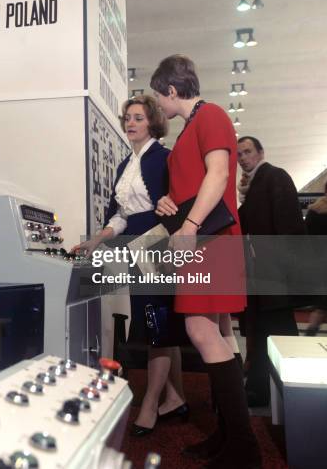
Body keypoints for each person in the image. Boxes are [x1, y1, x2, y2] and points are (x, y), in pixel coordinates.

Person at [151, 55, 260, 468]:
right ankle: (232, 434)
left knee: (199, 329)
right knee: (219, 331)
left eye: (160, 97)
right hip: (204, 237)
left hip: (208, 240)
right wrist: (172, 204)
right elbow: (197, 182)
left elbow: (218, 175)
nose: (160, 105)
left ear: (172, 91)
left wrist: (191, 222)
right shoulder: (191, 128)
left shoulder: (210, 114)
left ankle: (243, 446)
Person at [71, 95, 188, 437]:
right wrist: (97, 239)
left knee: (156, 325)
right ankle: (175, 397)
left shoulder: (163, 158)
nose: (130, 123)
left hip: (157, 246)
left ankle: (150, 404)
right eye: (128, 118)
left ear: (152, 121)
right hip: (135, 246)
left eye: (138, 117)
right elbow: (120, 215)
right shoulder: (125, 166)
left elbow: (175, 205)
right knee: (160, 324)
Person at [237, 136, 305, 406]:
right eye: (239, 154)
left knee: (279, 333)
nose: (243, 158)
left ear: (261, 152)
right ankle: (262, 389)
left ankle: (289, 392)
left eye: (248, 151)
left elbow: (289, 227)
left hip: (274, 274)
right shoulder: (253, 186)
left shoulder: (274, 176)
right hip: (262, 276)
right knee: (265, 332)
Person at [304, 177, 327, 335]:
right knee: (321, 305)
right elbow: (309, 237)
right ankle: (310, 333)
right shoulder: (316, 210)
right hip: (323, 264)